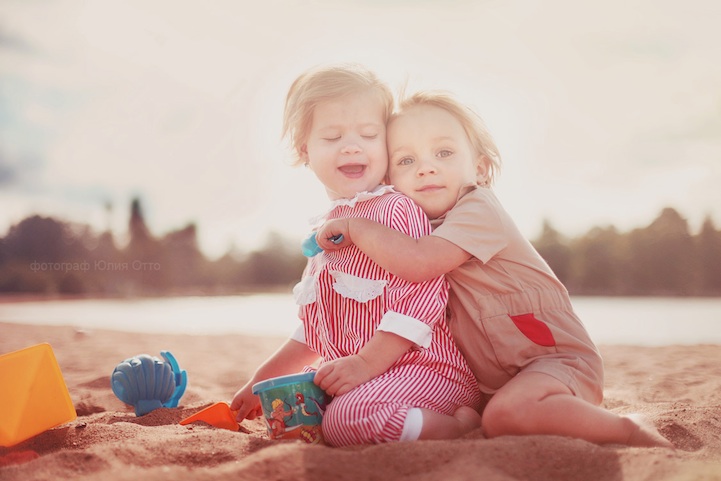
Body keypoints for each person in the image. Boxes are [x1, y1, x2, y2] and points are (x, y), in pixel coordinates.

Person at [315, 90, 673, 448]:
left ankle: (627, 428)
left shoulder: (478, 210)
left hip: (554, 361)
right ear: (390, 179)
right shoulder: (411, 229)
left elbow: (420, 262)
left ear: (481, 168)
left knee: (506, 415)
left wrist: (356, 227)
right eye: (406, 160)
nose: (426, 167)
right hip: (490, 382)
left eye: (444, 152)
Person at [230, 65, 482, 447]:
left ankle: (457, 427)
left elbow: (423, 299)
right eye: (332, 137)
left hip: (426, 371)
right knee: (295, 413)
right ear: (305, 151)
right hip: (369, 378)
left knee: (346, 420)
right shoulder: (326, 231)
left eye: (368, 134)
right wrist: (259, 381)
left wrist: (366, 364)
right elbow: (316, 330)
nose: (351, 146)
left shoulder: (394, 210)